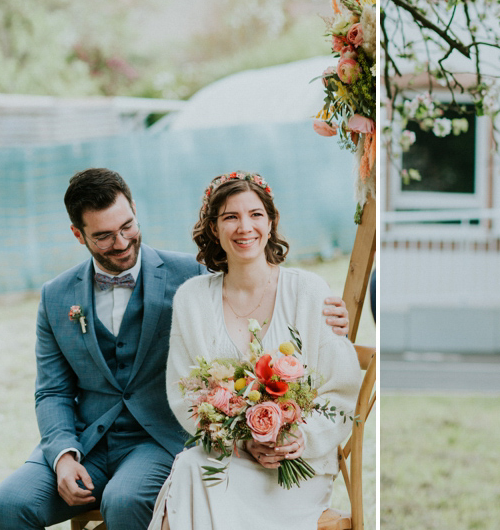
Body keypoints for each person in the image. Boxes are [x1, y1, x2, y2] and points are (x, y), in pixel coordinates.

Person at [0, 168, 350, 530]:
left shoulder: (189, 275)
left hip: (154, 440)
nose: (121, 241)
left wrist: (335, 321)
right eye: (103, 237)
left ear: (134, 209)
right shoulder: (56, 296)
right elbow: (52, 389)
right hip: (86, 442)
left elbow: (255, 274)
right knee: (9, 504)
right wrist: (63, 456)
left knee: (125, 500)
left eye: (127, 226)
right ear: (77, 234)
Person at [147, 171, 363, 530]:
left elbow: (341, 394)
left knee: (187, 485)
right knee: (189, 467)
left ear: (271, 221)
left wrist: (298, 438)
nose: (244, 227)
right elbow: (185, 394)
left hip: (296, 468)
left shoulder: (308, 291)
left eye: (255, 214)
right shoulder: (192, 298)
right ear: (214, 228)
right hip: (227, 458)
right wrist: (243, 444)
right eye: (230, 216)